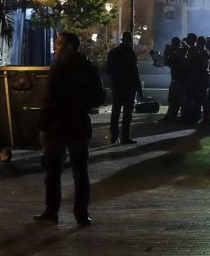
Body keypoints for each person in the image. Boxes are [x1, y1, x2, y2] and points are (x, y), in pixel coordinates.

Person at [33, 32, 105, 226]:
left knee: (53, 171)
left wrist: (43, 125)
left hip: (57, 125)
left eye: (59, 43)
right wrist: (83, 104)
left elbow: (49, 98)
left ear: (70, 46)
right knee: (80, 171)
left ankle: (51, 211)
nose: (55, 47)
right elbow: (100, 96)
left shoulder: (59, 68)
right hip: (79, 124)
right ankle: (81, 214)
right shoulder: (89, 67)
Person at [105, 31, 142, 144]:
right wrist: (139, 89)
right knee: (127, 114)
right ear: (130, 41)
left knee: (115, 112)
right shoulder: (130, 54)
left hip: (117, 86)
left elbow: (108, 69)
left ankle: (114, 136)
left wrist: (113, 82)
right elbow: (135, 72)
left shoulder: (113, 52)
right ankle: (125, 136)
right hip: (129, 87)